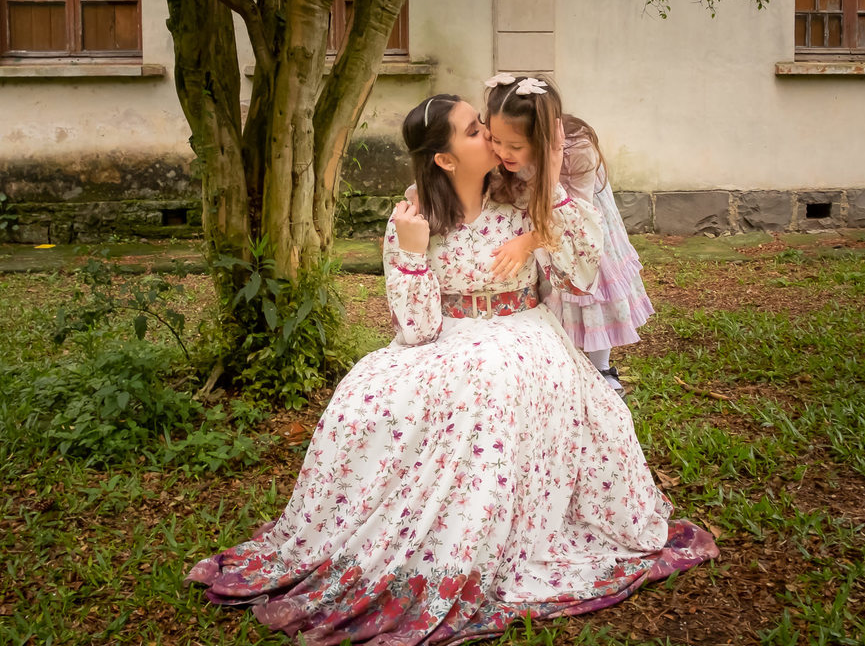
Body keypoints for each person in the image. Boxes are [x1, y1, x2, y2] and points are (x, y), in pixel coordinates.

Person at [186, 93, 717, 645]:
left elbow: (583, 267)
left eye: (483, 124)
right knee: (365, 392)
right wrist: (414, 251)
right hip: (446, 335)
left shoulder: (523, 196)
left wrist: (543, 208)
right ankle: (384, 534)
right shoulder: (415, 215)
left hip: (524, 332)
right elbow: (416, 327)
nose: (489, 135)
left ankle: (480, 541)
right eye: (472, 130)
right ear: (444, 158)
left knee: (489, 383)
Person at [483, 74, 653, 396]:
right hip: (538, 217)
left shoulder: (578, 152)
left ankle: (601, 368)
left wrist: (531, 239)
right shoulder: (501, 151)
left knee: (588, 292)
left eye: (515, 146)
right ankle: (566, 360)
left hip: (580, 226)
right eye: (495, 139)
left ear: (543, 135)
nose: (502, 152)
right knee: (552, 293)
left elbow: (577, 226)